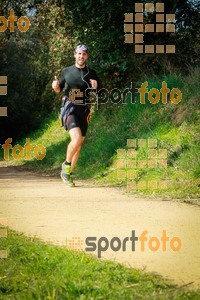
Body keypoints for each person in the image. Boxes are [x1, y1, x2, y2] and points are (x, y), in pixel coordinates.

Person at [52, 44, 99, 187]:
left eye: (84, 54)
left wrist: (96, 87)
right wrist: (55, 86)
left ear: (87, 56)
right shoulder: (67, 71)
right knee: (76, 138)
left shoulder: (92, 73)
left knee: (79, 145)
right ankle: (66, 166)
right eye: (79, 54)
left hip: (84, 110)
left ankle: (69, 174)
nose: (81, 56)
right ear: (75, 54)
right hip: (70, 108)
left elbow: (100, 92)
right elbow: (58, 88)